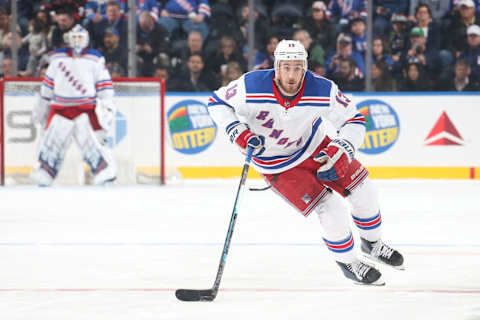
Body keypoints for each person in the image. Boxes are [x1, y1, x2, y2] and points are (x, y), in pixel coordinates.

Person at [207, 40, 404, 285]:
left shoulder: (322, 89)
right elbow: (216, 102)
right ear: (276, 67)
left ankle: (372, 243)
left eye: (298, 68)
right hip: (276, 163)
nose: (292, 75)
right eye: (286, 67)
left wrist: (343, 146)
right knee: (330, 208)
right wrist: (237, 130)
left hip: (314, 145)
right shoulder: (250, 85)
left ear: (306, 68)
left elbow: (353, 118)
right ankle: (348, 262)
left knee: (365, 190)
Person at [30, 25, 117, 186]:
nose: (77, 41)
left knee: (94, 140)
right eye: (74, 38)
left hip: (87, 106)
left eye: (80, 38)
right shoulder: (57, 58)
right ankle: (44, 171)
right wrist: (42, 104)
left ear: (87, 39)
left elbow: (104, 86)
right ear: (68, 39)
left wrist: (106, 104)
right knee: (51, 139)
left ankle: (105, 170)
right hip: (60, 106)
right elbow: (47, 87)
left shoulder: (95, 58)